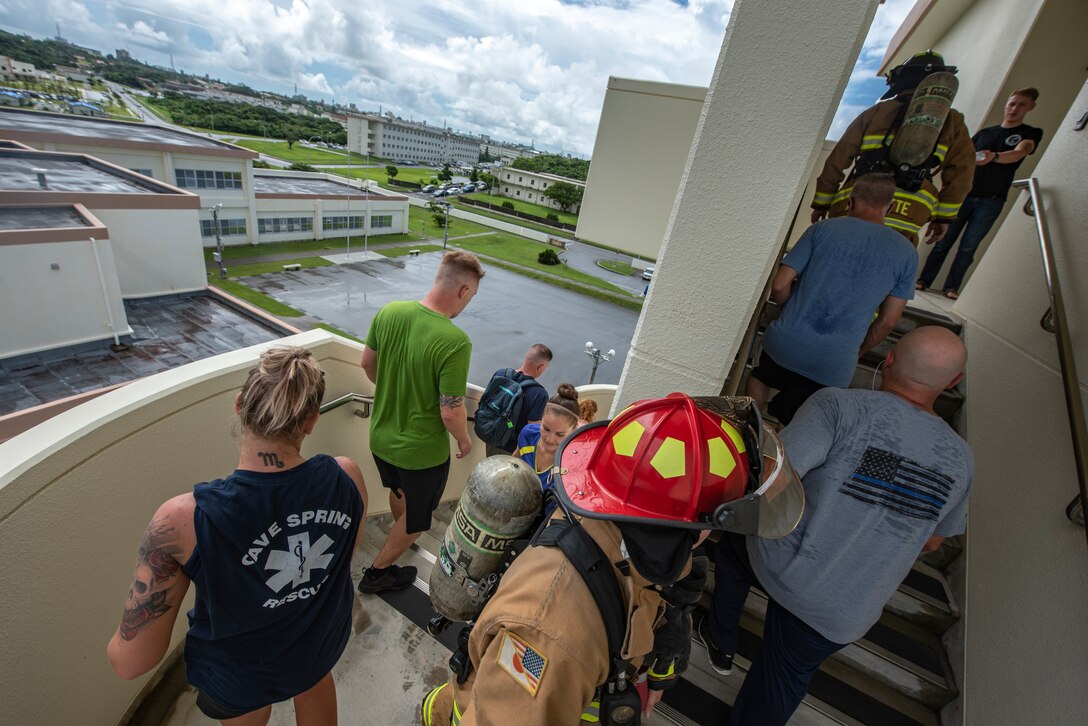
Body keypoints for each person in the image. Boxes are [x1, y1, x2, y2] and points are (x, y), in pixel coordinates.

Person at [422, 393, 805, 726]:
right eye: (713, 523)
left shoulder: (613, 523)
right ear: (680, 529)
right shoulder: (549, 634)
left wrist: (670, 620)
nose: (709, 540)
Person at [703, 327, 973, 726]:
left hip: (781, 565)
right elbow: (933, 544)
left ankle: (720, 640)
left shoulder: (839, 406)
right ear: (953, 383)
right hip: (845, 609)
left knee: (730, 549)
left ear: (890, 357)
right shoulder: (961, 459)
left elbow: (772, 479)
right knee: (782, 681)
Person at [106, 347, 368, 725]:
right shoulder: (346, 476)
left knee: (248, 708)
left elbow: (131, 662)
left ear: (239, 404)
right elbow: (336, 563)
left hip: (240, 676)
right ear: (311, 422)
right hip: (316, 646)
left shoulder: (184, 519)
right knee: (313, 683)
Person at [357, 250, 484, 595]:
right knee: (418, 519)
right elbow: (450, 409)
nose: (467, 303)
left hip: (381, 440)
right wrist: (463, 440)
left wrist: (393, 392)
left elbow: (367, 363)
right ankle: (377, 573)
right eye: (471, 295)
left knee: (397, 491)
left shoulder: (390, 312)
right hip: (421, 454)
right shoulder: (455, 341)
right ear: (462, 291)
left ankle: (399, 535)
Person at [748, 173, 917, 425]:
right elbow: (888, 323)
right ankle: (778, 452)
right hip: (835, 362)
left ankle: (749, 430)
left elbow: (780, 284)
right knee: (799, 418)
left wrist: (790, 308)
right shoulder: (906, 253)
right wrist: (860, 350)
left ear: (850, 202)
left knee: (760, 376)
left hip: (786, 342)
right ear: (889, 207)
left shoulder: (822, 229)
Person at [811, 51, 975, 245]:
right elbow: (962, 173)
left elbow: (838, 160)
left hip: (859, 201)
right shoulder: (953, 122)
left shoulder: (877, 112)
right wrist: (943, 217)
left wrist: (822, 204)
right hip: (912, 211)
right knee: (892, 265)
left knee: (835, 252)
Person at [916, 87, 1043, 299]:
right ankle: (923, 280)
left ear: (1030, 107)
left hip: (991, 200)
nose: (1014, 108)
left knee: (968, 248)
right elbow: (962, 159)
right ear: (1006, 106)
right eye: (1012, 103)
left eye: (1021, 104)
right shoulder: (984, 134)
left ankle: (951, 288)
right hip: (965, 195)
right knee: (943, 241)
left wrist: (994, 157)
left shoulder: (1029, 134)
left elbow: (1021, 152)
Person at [483, 343, 553, 457]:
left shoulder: (501, 374)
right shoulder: (539, 394)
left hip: (490, 434)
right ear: (540, 367)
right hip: (512, 449)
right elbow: (532, 429)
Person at [515, 383, 580, 493]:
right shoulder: (528, 435)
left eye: (559, 434)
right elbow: (513, 463)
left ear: (574, 429)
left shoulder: (575, 462)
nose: (549, 439)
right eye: (546, 428)